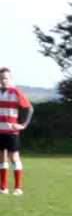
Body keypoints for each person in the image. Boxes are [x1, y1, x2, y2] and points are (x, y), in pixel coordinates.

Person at [0, 67, 33, 196]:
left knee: (14, 158)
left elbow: (29, 109)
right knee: (2, 158)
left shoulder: (16, 92)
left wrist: (23, 125)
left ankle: (18, 188)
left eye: (6, 78)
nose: (4, 80)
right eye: (2, 78)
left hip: (12, 132)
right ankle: (3, 188)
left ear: (11, 79)